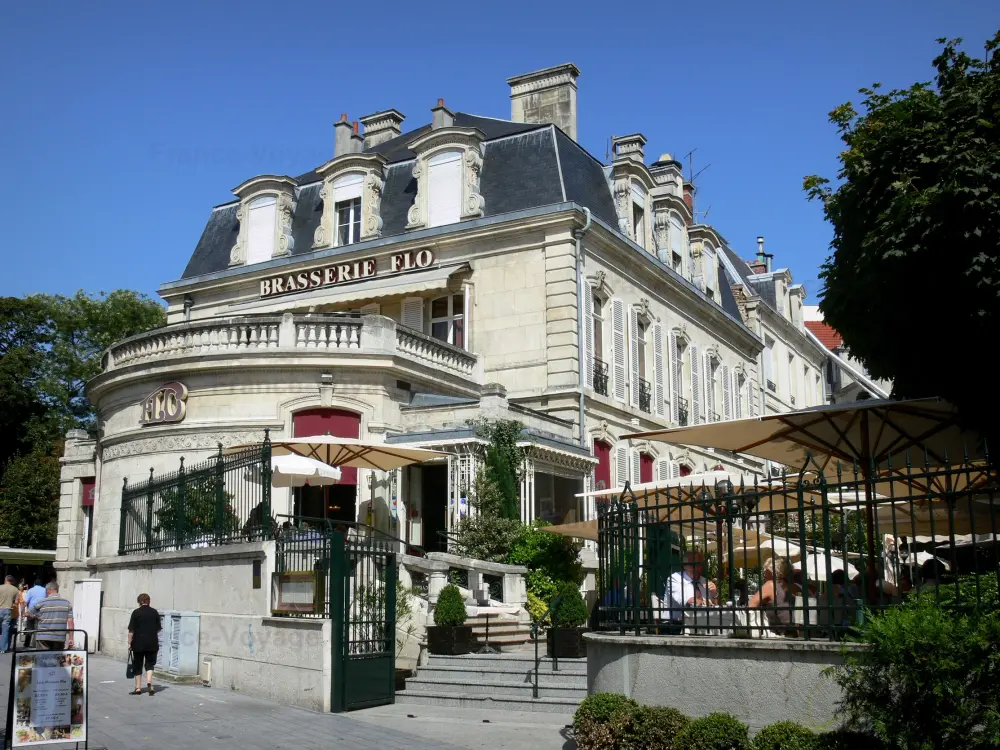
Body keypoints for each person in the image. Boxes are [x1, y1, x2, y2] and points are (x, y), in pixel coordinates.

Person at [660, 552, 717, 633]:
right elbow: (685, 601)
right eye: (693, 565)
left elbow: (715, 604)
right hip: (675, 625)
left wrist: (715, 593)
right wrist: (703, 602)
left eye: (699, 564)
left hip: (701, 623)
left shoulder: (704, 581)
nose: (697, 568)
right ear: (685, 566)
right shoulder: (675, 579)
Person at [748, 557, 794, 635]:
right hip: (793, 632)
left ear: (776, 572)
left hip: (777, 634)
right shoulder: (791, 586)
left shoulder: (770, 585)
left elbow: (750, 605)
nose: (764, 573)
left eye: (767, 570)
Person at [127, 593, 161, 696]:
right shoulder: (154, 612)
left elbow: (131, 631)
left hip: (138, 643)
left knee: (138, 665)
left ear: (139, 602)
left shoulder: (136, 613)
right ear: (149, 601)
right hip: (152, 643)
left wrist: (129, 643)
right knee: (150, 663)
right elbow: (158, 628)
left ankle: (138, 688)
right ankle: (149, 682)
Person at [28, 582, 74, 650]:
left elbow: (29, 613)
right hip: (59, 637)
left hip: (43, 636)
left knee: (43, 658)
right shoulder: (67, 603)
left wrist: (35, 617)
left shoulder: (42, 602)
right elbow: (70, 622)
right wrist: (71, 638)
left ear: (48, 590)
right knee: (58, 659)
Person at [21, 578, 47, 648]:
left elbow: (25, 602)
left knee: (29, 627)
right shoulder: (45, 590)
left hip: (31, 610)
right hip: (41, 610)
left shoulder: (30, 590)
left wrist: (23, 612)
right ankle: (35, 644)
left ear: (34, 584)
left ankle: (27, 643)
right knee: (38, 627)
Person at [0, 574, 19, 653]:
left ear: (5, 580)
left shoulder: (0, 587)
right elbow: (16, 602)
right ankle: (3, 649)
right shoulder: (15, 589)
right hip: (8, 610)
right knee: (5, 630)